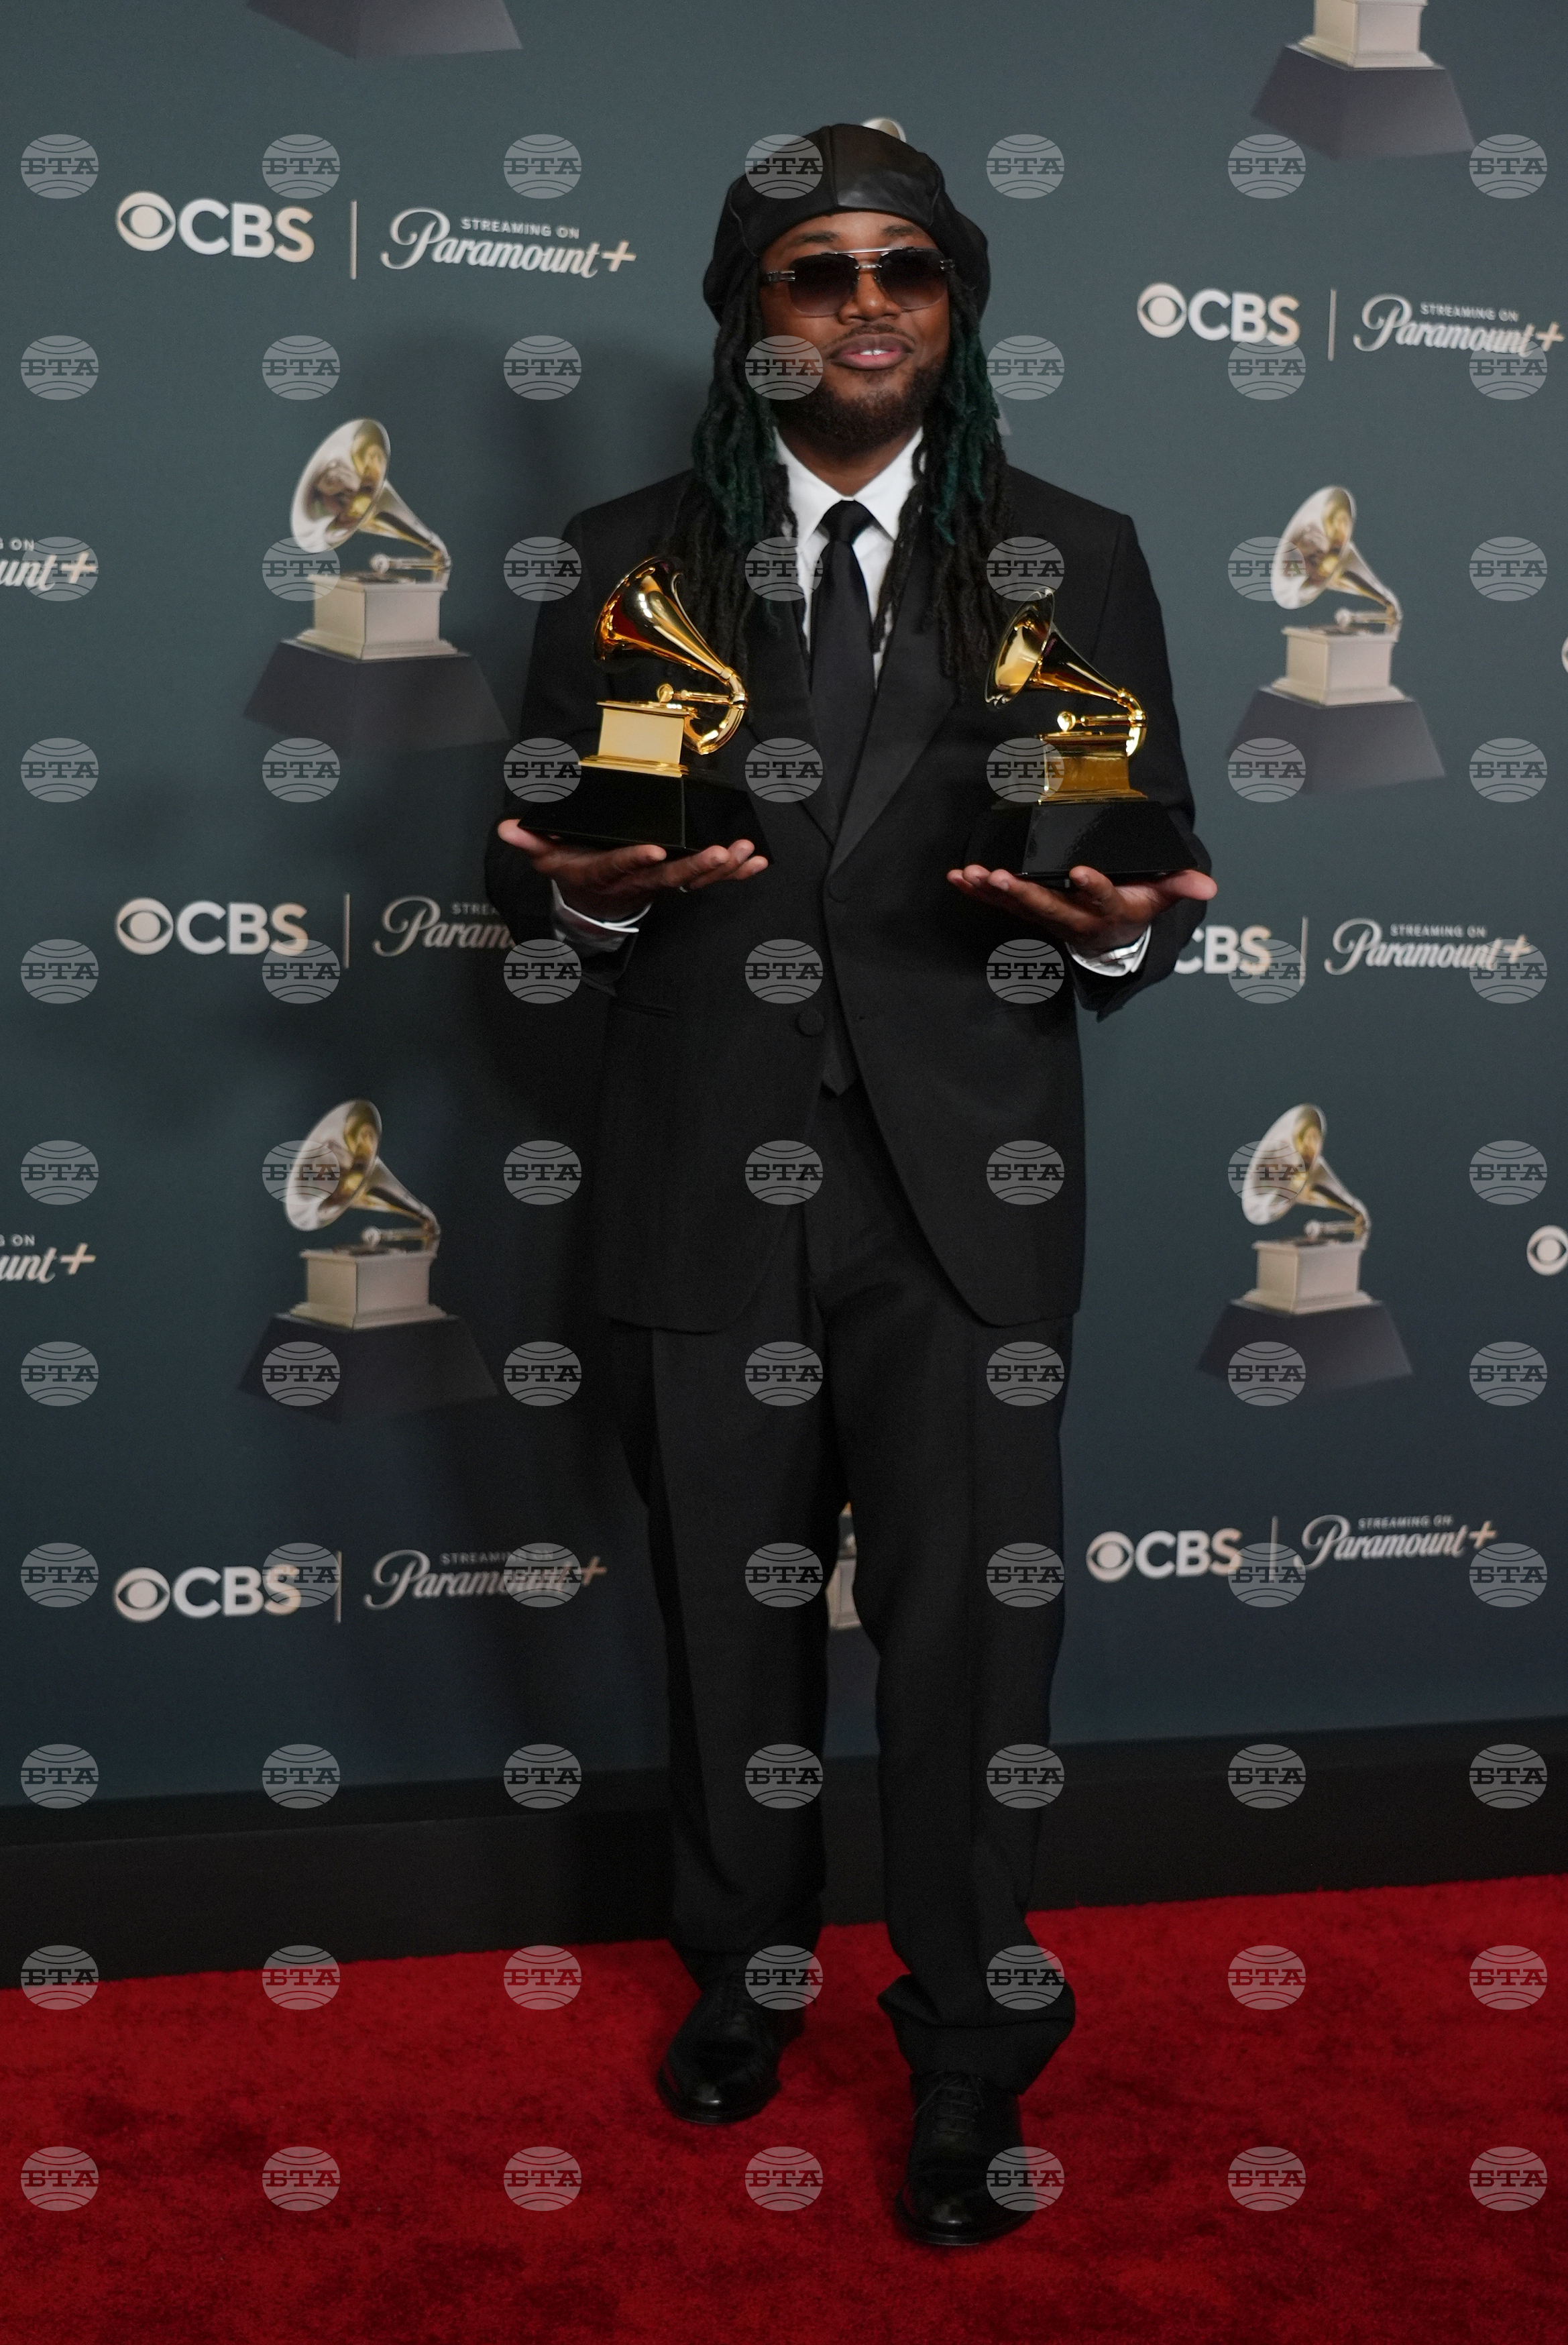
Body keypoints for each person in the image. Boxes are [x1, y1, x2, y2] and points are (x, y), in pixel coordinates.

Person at [485, 123, 1215, 2247]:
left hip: (961, 1199)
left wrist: (1114, 934)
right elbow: (542, 889)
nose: (867, 301)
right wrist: (610, 904)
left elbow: (1131, 849)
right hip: (703, 1180)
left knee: (977, 1658)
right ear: (750, 319)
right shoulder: (622, 562)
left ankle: (977, 2050)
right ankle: (747, 1976)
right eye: (815, 270)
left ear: (955, 305)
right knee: (727, 1628)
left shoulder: (1064, 557)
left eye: (906, 265)